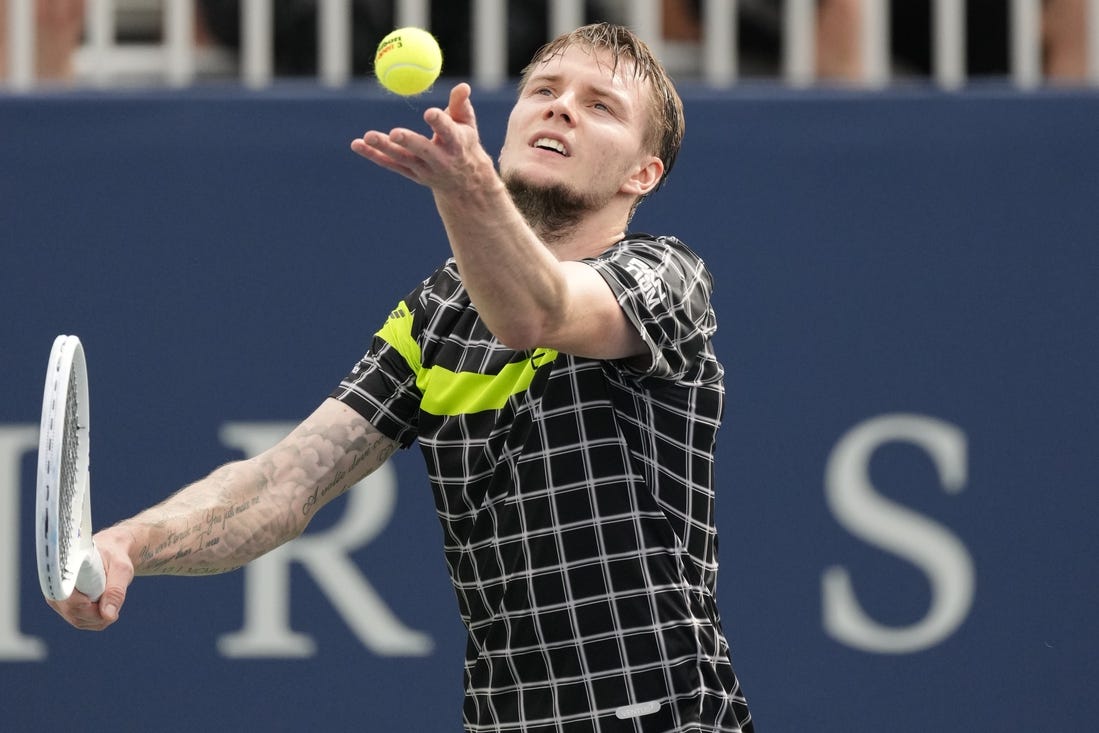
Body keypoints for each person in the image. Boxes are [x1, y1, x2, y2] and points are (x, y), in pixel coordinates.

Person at [48, 21, 754, 732]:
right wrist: (130, 544)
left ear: (643, 174)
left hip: (666, 715)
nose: (560, 106)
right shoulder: (438, 313)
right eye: (543, 89)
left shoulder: (664, 276)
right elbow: (285, 481)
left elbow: (538, 313)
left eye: (600, 105)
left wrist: (467, 193)